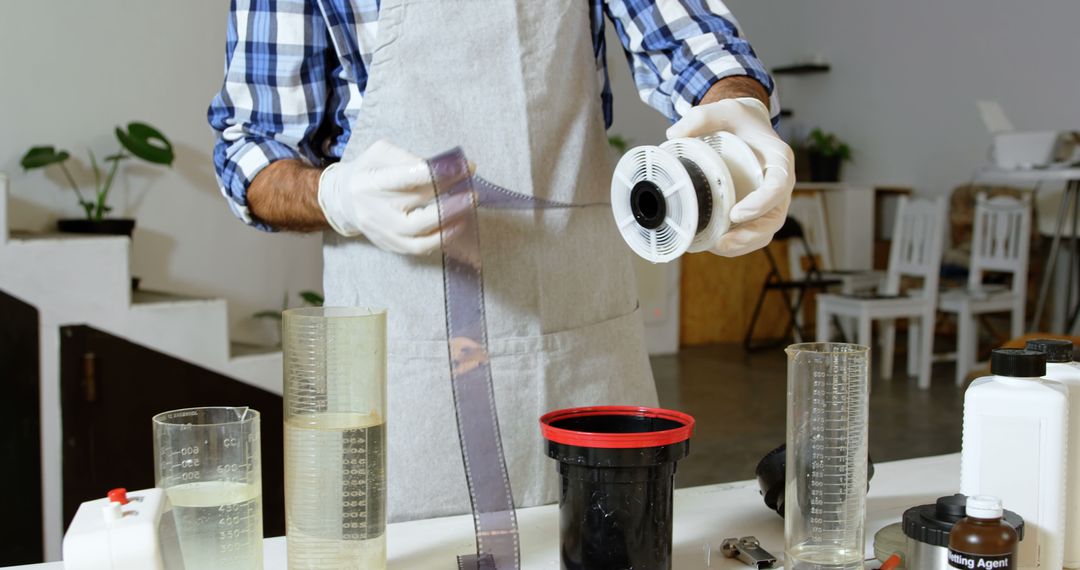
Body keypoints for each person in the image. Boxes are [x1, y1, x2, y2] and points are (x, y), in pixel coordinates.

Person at [209, 0, 794, 522]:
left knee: (613, 544)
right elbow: (249, 149)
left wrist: (737, 110)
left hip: (583, 342)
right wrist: (337, 197)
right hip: (409, 362)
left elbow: (688, 37)